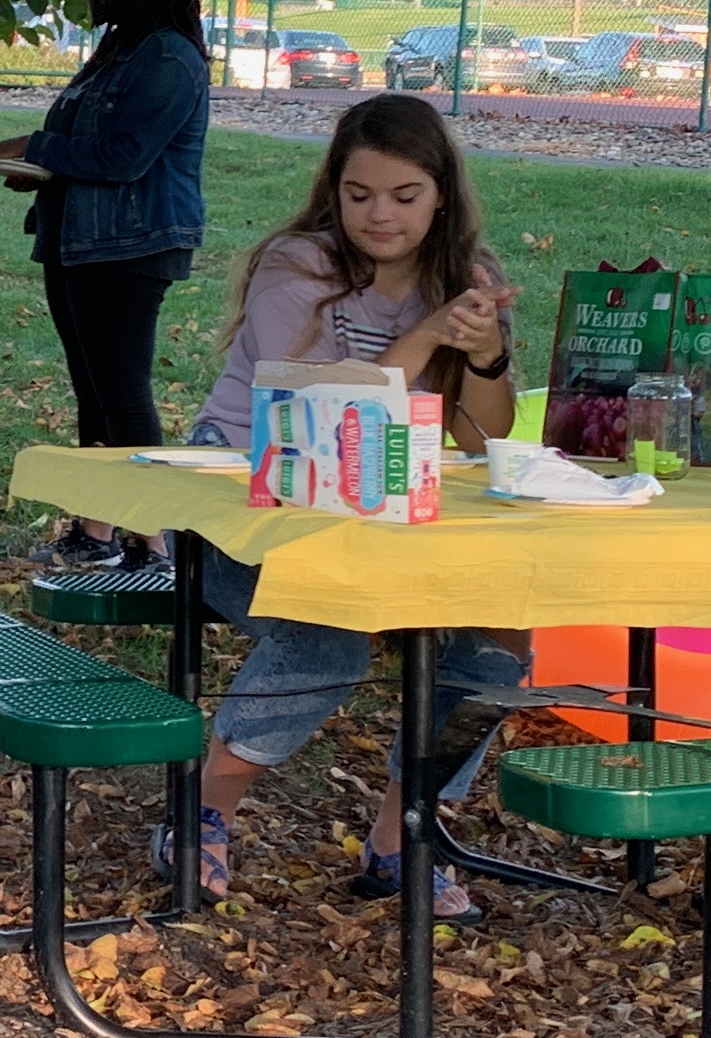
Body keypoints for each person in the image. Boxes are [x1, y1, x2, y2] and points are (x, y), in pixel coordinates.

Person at [159, 94, 526, 909]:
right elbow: (319, 413)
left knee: (501, 638)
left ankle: (407, 836)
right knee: (327, 635)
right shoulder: (297, 265)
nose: (379, 216)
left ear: (441, 196)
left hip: (384, 517)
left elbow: (485, 442)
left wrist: (489, 353)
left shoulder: (470, 275)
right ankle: (200, 816)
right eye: (359, 195)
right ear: (334, 188)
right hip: (244, 504)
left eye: (404, 197)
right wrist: (429, 336)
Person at [0, 0, 209, 571]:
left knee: (124, 393)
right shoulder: (118, 50)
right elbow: (83, 142)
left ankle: (154, 542)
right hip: (77, 239)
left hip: (129, 246)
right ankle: (97, 532)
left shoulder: (166, 58)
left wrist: (34, 147)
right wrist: (35, 166)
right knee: (95, 392)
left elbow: (124, 157)